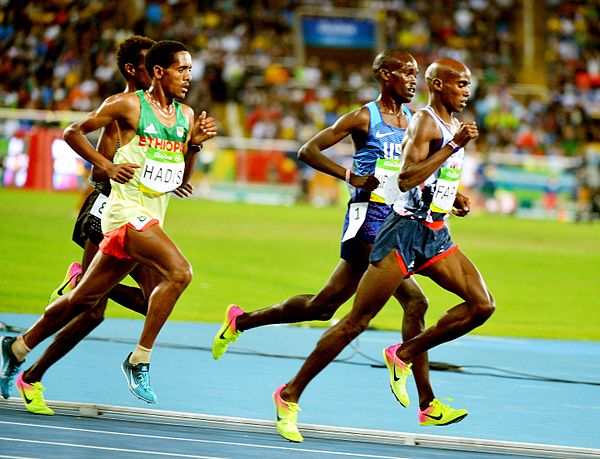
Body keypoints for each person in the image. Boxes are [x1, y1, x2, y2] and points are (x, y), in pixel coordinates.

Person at [212, 50, 467, 442]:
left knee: (323, 305)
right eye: (406, 73)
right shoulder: (365, 117)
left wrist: (452, 198)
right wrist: (350, 174)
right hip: (369, 222)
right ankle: (423, 400)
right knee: (412, 303)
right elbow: (308, 150)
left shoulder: (418, 122)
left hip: (401, 221)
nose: (413, 81)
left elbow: (422, 176)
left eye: (417, 74)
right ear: (385, 76)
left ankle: (241, 321)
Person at [268, 57, 494, 442]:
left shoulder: (454, 125)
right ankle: (289, 395)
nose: (466, 92)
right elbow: (406, 179)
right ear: (437, 85)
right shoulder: (424, 121)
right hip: (402, 233)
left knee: (482, 305)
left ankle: (404, 356)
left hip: (436, 233)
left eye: (469, 85)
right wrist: (453, 146)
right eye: (460, 84)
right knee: (354, 321)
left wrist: (452, 196)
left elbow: (432, 177)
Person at [0, 40, 217, 405]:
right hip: (120, 212)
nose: (188, 77)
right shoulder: (126, 104)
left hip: (153, 211)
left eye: (190, 70)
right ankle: (139, 359)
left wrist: (193, 146)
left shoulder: (186, 115)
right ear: (156, 71)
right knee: (179, 273)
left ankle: (19, 347)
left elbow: (178, 178)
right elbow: (72, 131)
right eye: (182, 69)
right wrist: (106, 166)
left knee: (85, 299)